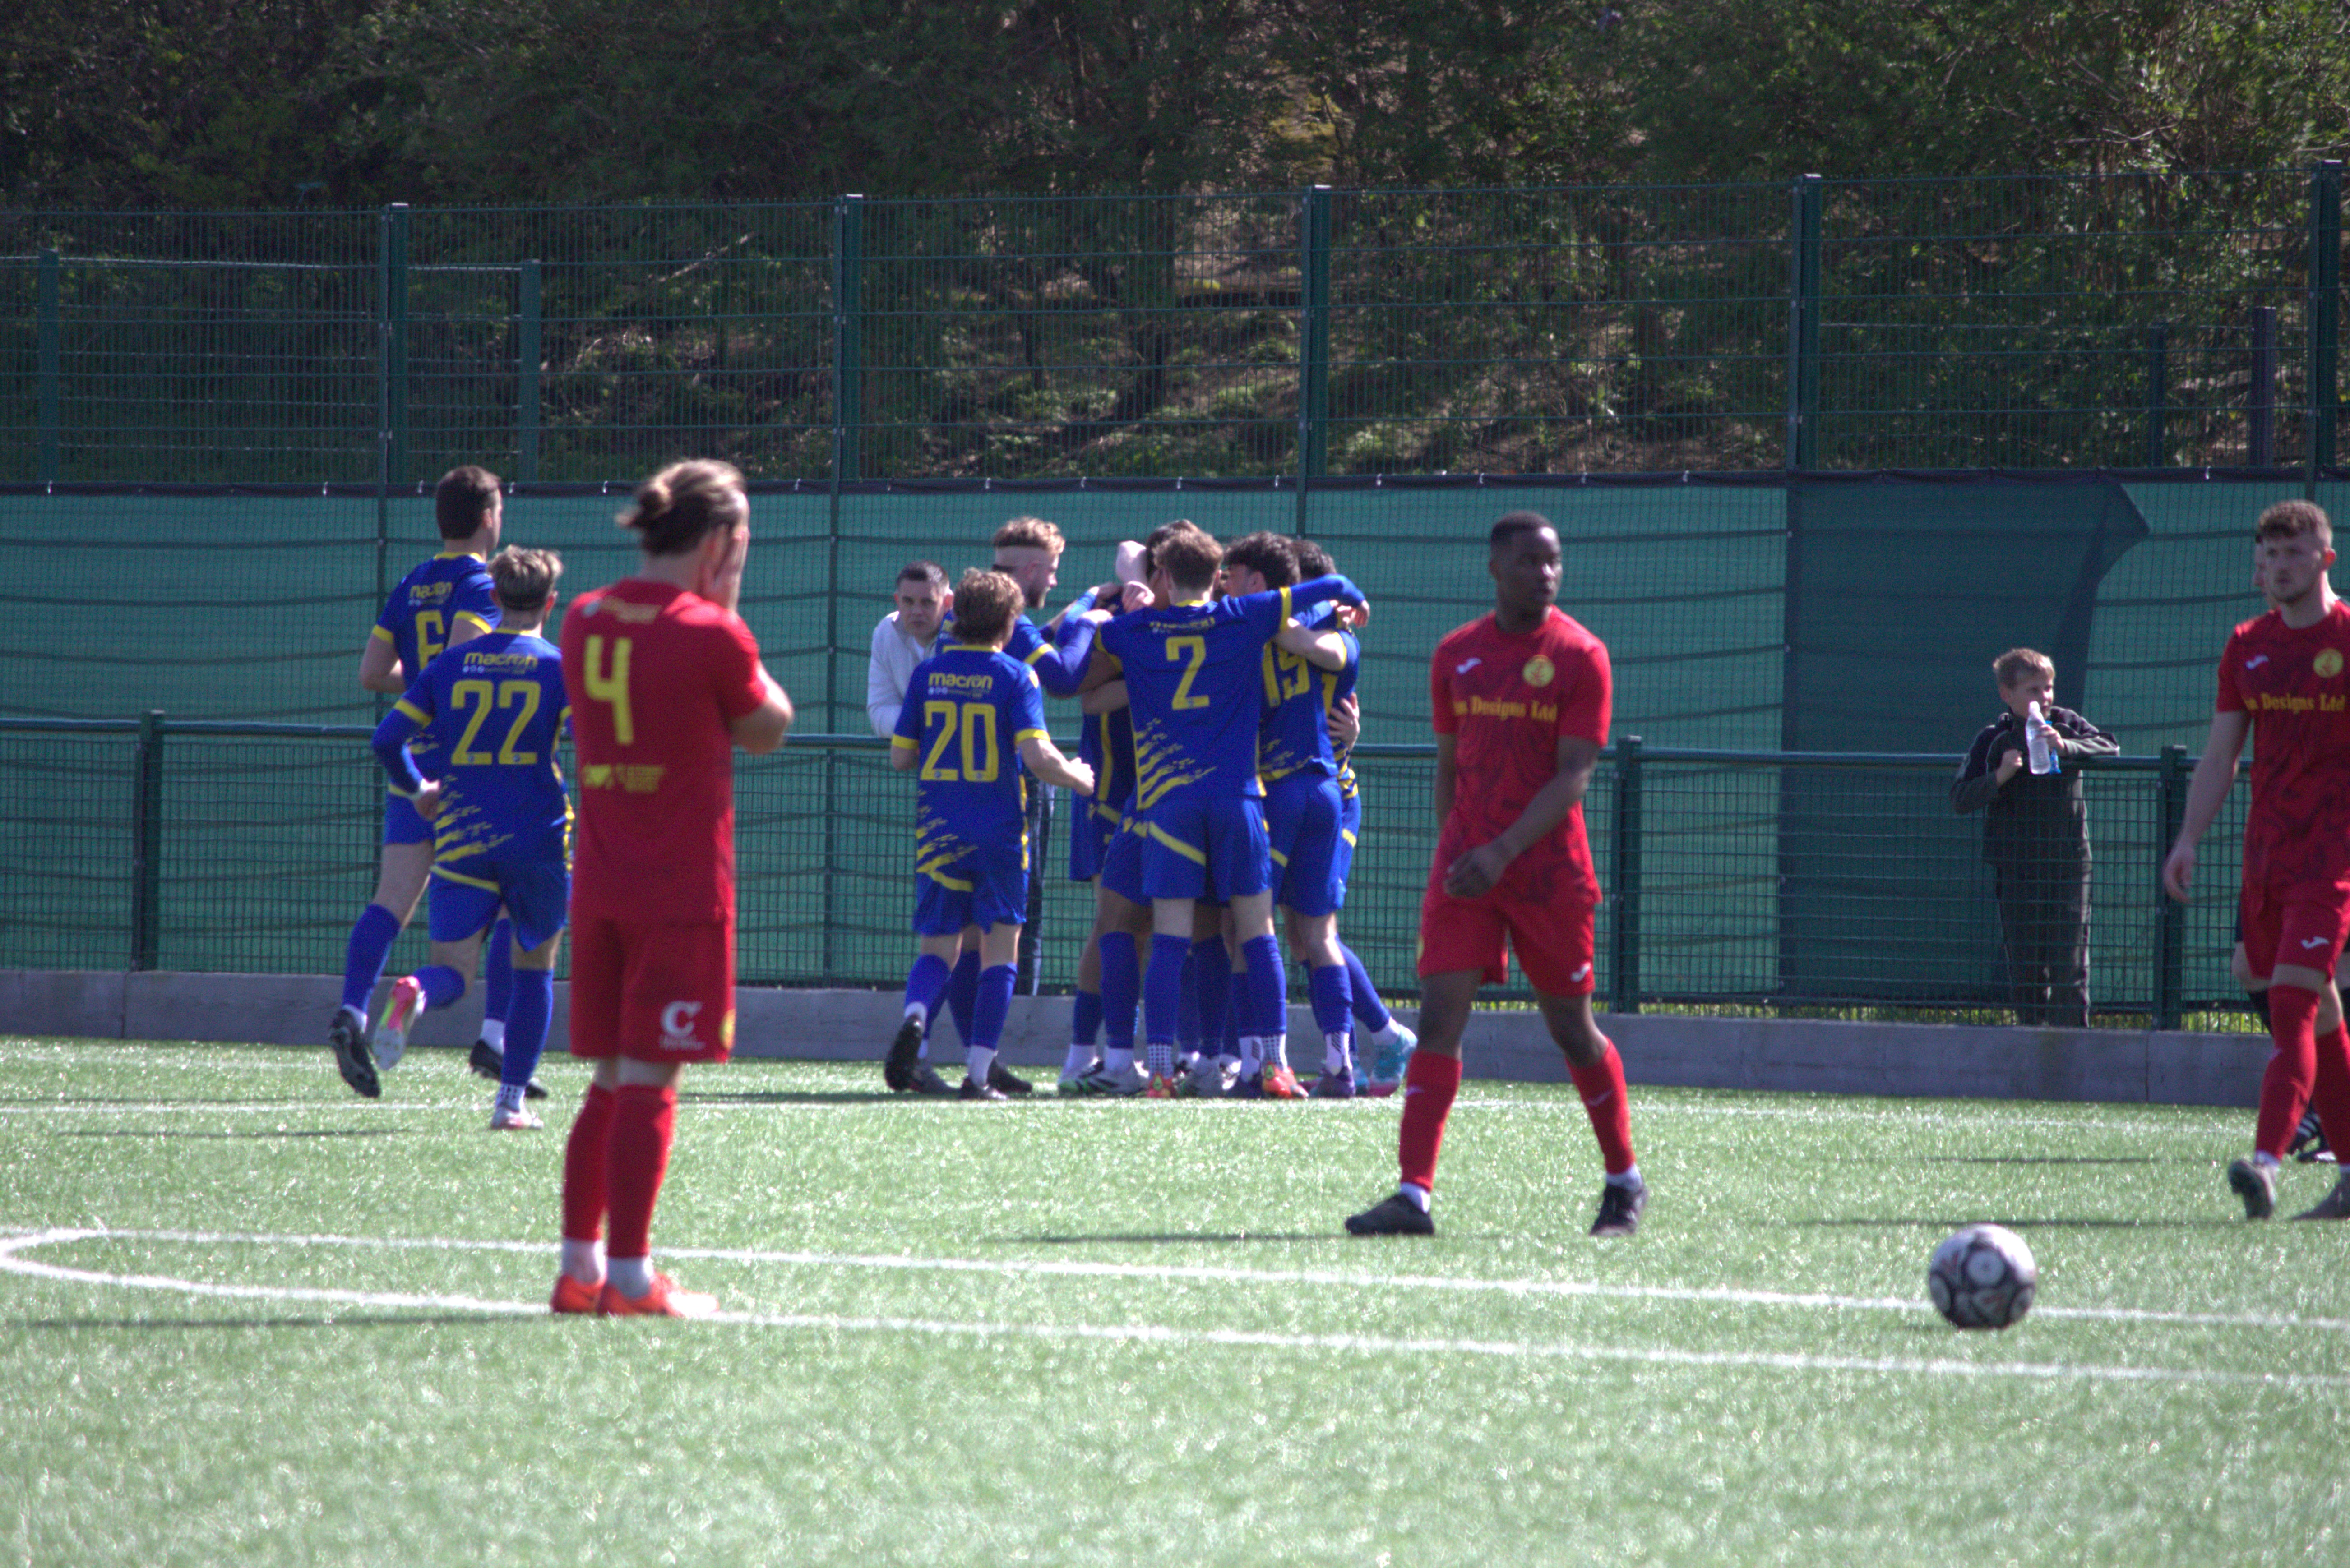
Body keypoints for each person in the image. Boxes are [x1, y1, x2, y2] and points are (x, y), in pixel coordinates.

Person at [1346, 511, 1646, 1239]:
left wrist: (1501, 851)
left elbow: (1573, 775)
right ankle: (1412, 1195)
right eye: (1528, 562)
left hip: (1547, 875)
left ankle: (1622, 1181)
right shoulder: (1456, 654)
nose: (1544, 573)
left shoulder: (1581, 655)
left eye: (1552, 562)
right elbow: (1451, 764)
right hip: (1468, 872)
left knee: (1571, 1031)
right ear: (1494, 569)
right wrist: (1454, 852)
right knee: (1439, 1020)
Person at [552, 460, 795, 1317]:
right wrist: (727, 612)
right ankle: (628, 1277)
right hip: (681, 891)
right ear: (722, 542)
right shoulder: (710, 632)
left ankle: (578, 1268)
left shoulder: (582, 618)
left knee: (610, 1082)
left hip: (604, 886)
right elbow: (768, 726)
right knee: (651, 1084)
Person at [1082, 527, 1368, 1097]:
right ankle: (1281, 1065)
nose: (1226, 585)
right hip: (1259, 795)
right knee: (1271, 932)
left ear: (1163, 575)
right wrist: (1352, 603)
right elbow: (1333, 638)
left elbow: (1076, 684)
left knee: (1175, 935)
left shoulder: (1141, 630)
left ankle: (1162, 1067)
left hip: (1174, 799)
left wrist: (1099, 607)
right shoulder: (1246, 620)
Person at [2163, 500, 2350, 1221]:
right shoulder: (2248, 645)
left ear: (2325, 561)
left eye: (2294, 556)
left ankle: (2267, 1159)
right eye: (2269, 557)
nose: (2279, 568)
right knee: (2320, 1013)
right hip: (2269, 854)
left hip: (2334, 855)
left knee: (2295, 1001)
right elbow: (2221, 755)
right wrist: (2187, 839)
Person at [328, 465, 531, 1100]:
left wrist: (420, 683)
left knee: (390, 902)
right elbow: (465, 664)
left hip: (412, 765)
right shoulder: (481, 582)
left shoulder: (415, 581)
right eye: (499, 507)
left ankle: (353, 1012)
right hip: (466, 771)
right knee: (514, 905)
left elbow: (373, 673)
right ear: (486, 517)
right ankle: (496, 1040)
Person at [366, 548, 571, 1130]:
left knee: (453, 972)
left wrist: (419, 788)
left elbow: (388, 739)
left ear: (496, 598)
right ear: (550, 603)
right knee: (535, 966)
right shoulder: (559, 667)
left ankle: (415, 991)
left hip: (462, 835)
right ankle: (510, 1103)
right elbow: (594, 740)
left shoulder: (450, 665)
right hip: (536, 841)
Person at [885, 569, 1096, 1098]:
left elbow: (900, 756)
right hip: (1000, 832)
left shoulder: (927, 676)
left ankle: (916, 1016)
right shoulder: (1014, 675)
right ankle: (978, 1074)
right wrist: (1078, 776)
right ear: (1008, 622)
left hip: (939, 831)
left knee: (938, 948)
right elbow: (1038, 756)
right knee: (1002, 951)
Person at [1290, 538, 1417, 1093]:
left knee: (1317, 931)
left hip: (1334, 798)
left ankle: (1374, 1043)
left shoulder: (1330, 639)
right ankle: (1377, 1040)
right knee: (1300, 935)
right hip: (1297, 795)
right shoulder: (1297, 637)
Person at [1949, 648, 2118, 1026]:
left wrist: (2067, 748)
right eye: (2032, 690)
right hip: (2017, 869)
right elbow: (1960, 798)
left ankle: (2073, 1053)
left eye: (2048, 688)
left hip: (2069, 865)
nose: (2043, 698)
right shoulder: (1993, 739)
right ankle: (2032, 1046)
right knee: (2026, 968)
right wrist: (2000, 777)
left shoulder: (2066, 723)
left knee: (2069, 965)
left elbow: (2109, 747)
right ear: (2007, 694)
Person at [866, 561, 951, 738]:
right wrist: (929, 722)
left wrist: (911, 724)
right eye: (908, 602)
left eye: (927, 602)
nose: (917, 611)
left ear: (947, 602)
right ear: (898, 601)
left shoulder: (968, 634)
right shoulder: (885, 632)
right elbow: (879, 712)